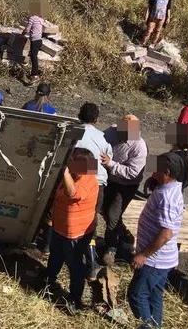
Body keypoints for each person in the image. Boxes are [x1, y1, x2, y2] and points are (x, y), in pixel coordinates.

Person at [128, 152, 185, 328]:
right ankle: (155, 325)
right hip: (164, 260)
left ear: (166, 172)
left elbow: (166, 234)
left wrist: (143, 255)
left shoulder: (166, 197)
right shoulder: (172, 188)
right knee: (154, 295)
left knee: (137, 295)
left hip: (154, 260)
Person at [44, 148, 99, 315]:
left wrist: (65, 172)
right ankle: (49, 281)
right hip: (60, 228)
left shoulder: (88, 180)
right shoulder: (74, 175)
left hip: (75, 233)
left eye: (71, 162)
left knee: (74, 264)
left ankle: (75, 297)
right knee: (55, 256)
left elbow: (72, 193)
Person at [101, 115, 148, 265]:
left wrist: (110, 164)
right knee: (103, 209)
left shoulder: (139, 146)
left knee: (113, 214)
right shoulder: (111, 131)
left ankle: (111, 248)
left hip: (126, 185)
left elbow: (132, 173)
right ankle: (124, 235)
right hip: (109, 179)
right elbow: (102, 143)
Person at [73, 102, 113, 279]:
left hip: (74, 180)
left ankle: (51, 248)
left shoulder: (73, 132)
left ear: (79, 115)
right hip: (95, 183)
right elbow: (107, 158)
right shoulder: (102, 137)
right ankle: (91, 265)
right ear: (96, 119)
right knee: (90, 223)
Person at [22, 11, 45, 85]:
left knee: (33, 57)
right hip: (39, 41)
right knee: (34, 56)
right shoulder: (41, 19)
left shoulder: (32, 18)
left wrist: (22, 34)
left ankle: (35, 75)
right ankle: (34, 73)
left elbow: (27, 29)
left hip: (35, 41)